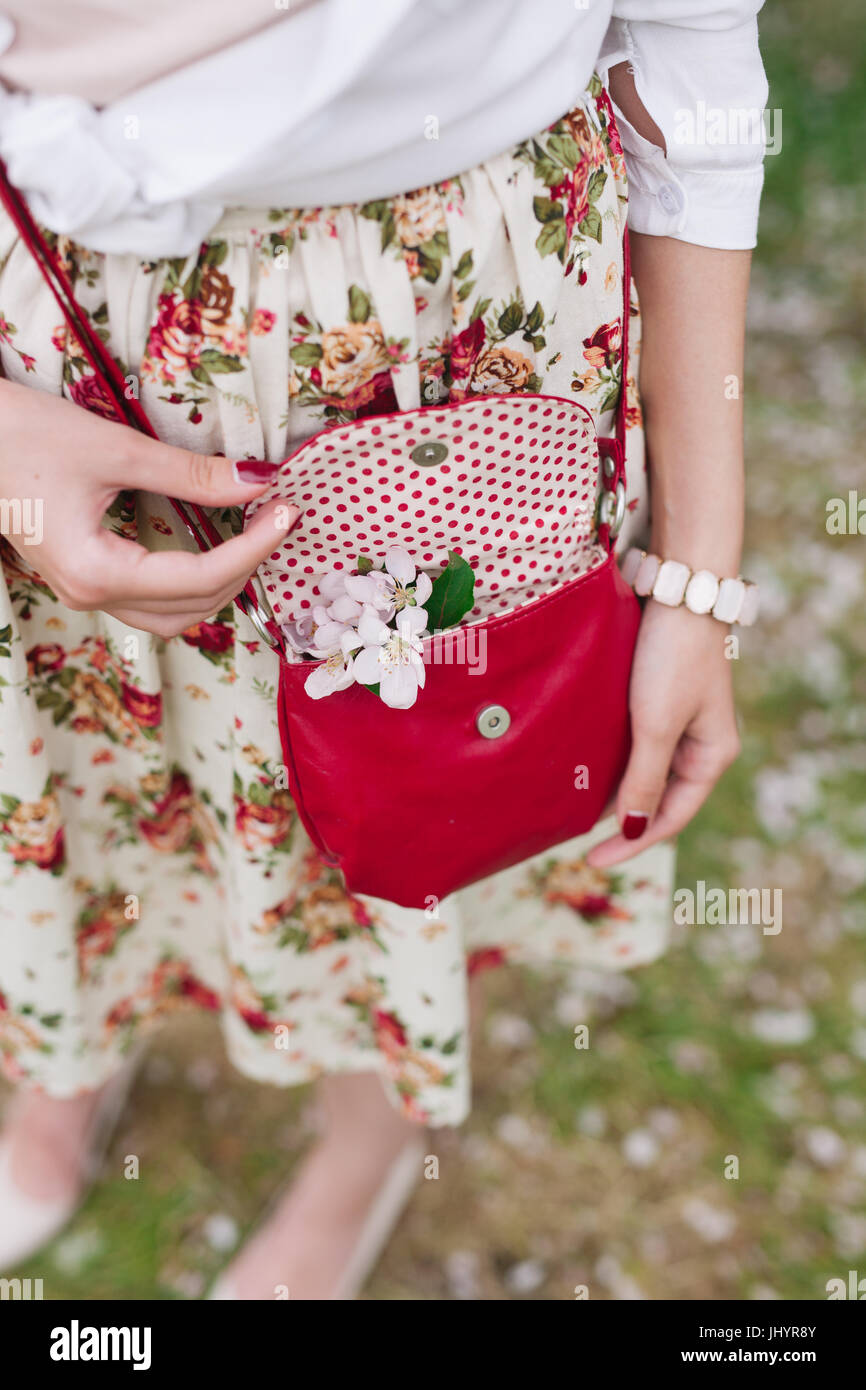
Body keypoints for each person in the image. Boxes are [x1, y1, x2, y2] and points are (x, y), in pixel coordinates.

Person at [0, 0, 767, 1298]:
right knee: (80, 771)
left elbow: (687, 39)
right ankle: (61, 1070)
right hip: (48, 324)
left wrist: (695, 573)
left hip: (445, 333)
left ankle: (362, 1153)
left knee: (415, 798)